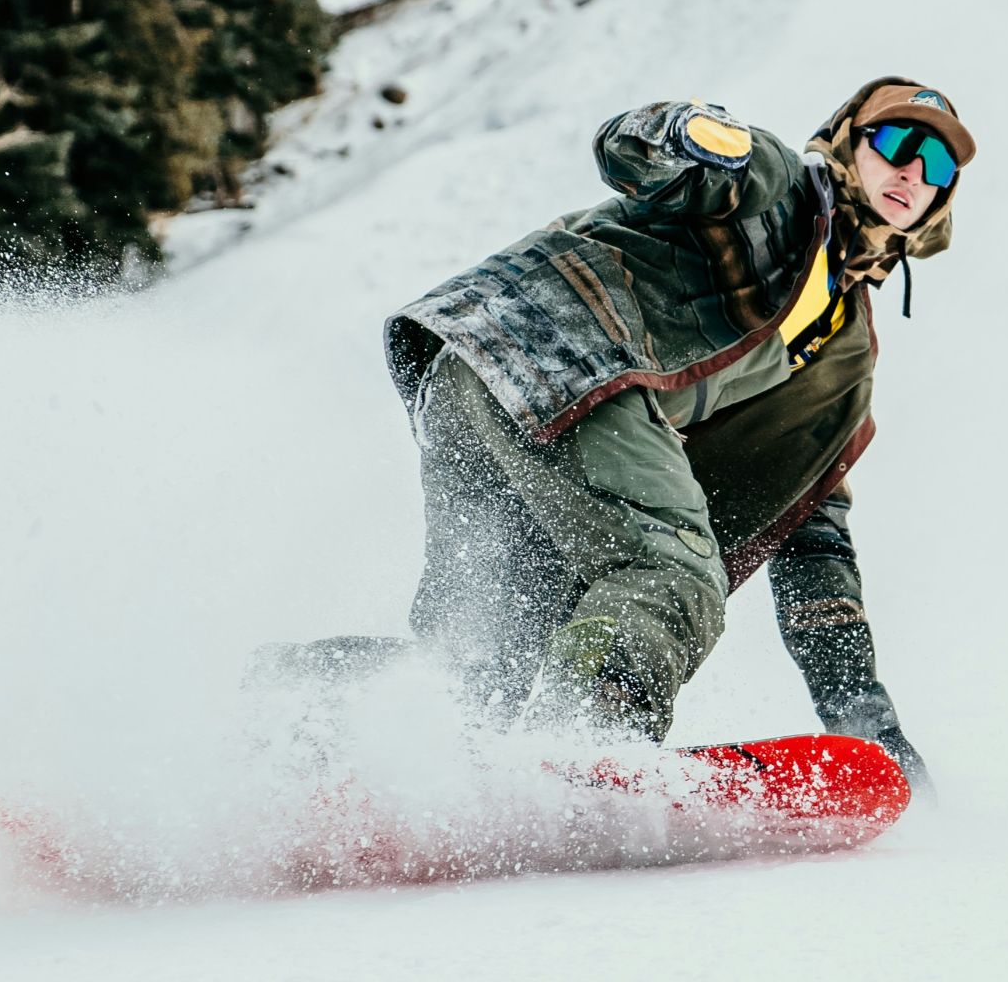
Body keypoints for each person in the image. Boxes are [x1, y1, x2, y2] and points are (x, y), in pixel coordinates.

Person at [284, 77, 972, 792]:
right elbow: (644, 154)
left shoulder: (843, 359)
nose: (912, 172)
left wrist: (863, 717)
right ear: (847, 141)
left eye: (939, 167)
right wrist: (684, 133)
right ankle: (581, 746)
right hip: (557, 351)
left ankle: (297, 720)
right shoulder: (777, 189)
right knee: (671, 571)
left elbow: (813, 531)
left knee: (484, 662)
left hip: (474, 384)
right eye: (897, 143)